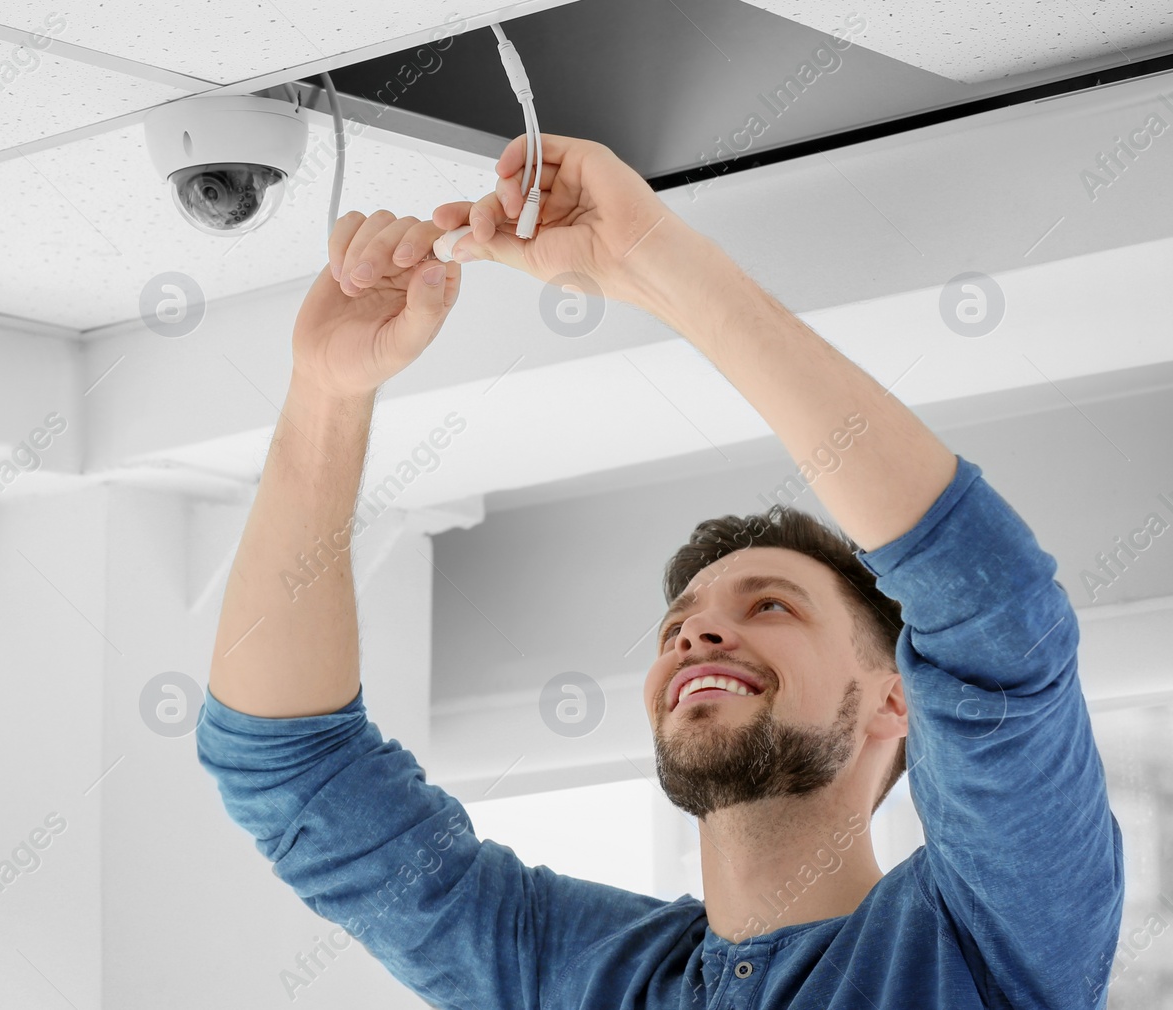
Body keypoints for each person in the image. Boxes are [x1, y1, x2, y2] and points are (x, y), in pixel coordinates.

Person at [195, 132, 1125, 1008]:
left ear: (897, 700)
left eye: (772, 605)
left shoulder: (982, 939)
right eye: (679, 623)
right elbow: (291, 765)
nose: (695, 635)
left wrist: (651, 255)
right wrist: (327, 392)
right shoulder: (579, 973)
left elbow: (992, 609)